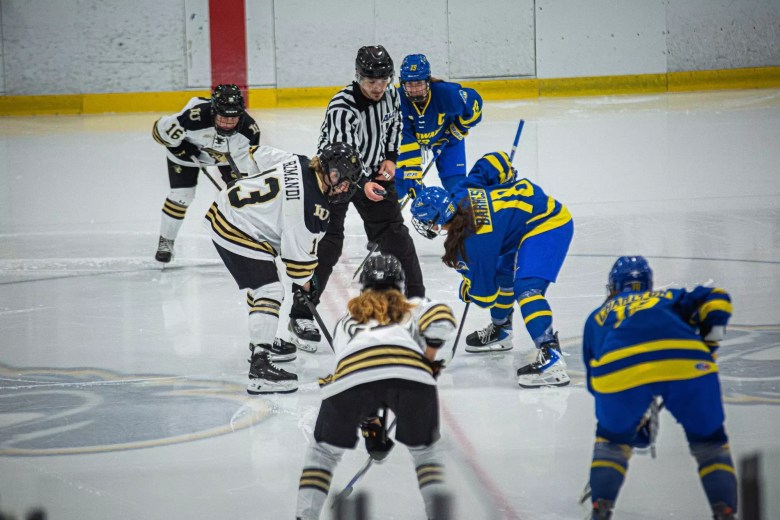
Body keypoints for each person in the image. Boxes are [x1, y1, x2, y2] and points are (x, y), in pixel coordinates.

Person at [287, 45, 426, 352]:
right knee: (329, 243)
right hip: (334, 177)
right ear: (357, 76)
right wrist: (362, 184)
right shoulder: (342, 106)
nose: (377, 87)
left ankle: (417, 301)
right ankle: (301, 313)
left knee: (395, 235)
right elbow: (343, 157)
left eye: (383, 80)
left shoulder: (390, 95)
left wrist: (390, 159)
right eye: (370, 81)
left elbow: (395, 126)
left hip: (373, 172)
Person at [295, 254, 455, 519]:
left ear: (364, 287)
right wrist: (428, 357)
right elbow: (442, 318)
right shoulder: (412, 306)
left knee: (322, 455)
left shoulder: (346, 322)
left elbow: (355, 377)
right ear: (401, 285)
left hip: (352, 379)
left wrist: (372, 428)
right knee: (426, 455)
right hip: (412, 379)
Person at [582, 256, 737, 519]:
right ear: (648, 284)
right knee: (710, 443)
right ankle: (725, 511)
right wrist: (710, 344)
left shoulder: (598, 316)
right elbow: (718, 299)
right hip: (687, 361)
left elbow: (596, 382)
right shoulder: (670, 297)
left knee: (611, 442)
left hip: (619, 370)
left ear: (613, 287)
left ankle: (601, 509)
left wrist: (627, 424)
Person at [204, 142, 363, 394]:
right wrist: (309, 288)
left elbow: (255, 155)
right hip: (237, 228)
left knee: (262, 285)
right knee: (270, 290)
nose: (344, 186)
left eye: (348, 182)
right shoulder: (313, 210)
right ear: (327, 169)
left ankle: (262, 342)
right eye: (340, 178)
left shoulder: (298, 160)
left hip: (230, 213)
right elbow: (298, 269)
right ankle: (260, 367)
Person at [409, 154, 574, 388]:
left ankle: (551, 357)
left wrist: (469, 284)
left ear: (436, 221)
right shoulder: (459, 192)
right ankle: (502, 331)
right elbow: (489, 164)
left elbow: (486, 296)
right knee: (502, 272)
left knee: (527, 289)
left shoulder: (474, 241)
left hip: (548, 224)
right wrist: (504, 170)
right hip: (526, 219)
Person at [151, 84, 262, 263]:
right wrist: (180, 148)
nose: (227, 124)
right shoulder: (193, 117)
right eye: (223, 118)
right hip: (186, 157)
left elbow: (245, 169)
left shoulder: (249, 131)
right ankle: (166, 240)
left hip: (225, 158)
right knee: (182, 196)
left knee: (240, 195)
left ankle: (245, 240)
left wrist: (240, 187)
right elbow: (159, 130)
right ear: (213, 111)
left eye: (233, 119)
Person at [395, 53, 483, 198]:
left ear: (428, 81)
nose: (415, 89)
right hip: (413, 141)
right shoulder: (397, 100)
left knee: (455, 185)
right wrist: (412, 173)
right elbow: (405, 137)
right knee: (399, 187)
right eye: (410, 84)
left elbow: (475, 103)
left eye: (419, 83)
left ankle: (464, 218)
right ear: (402, 83)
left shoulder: (446, 94)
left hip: (447, 138)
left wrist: (460, 127)